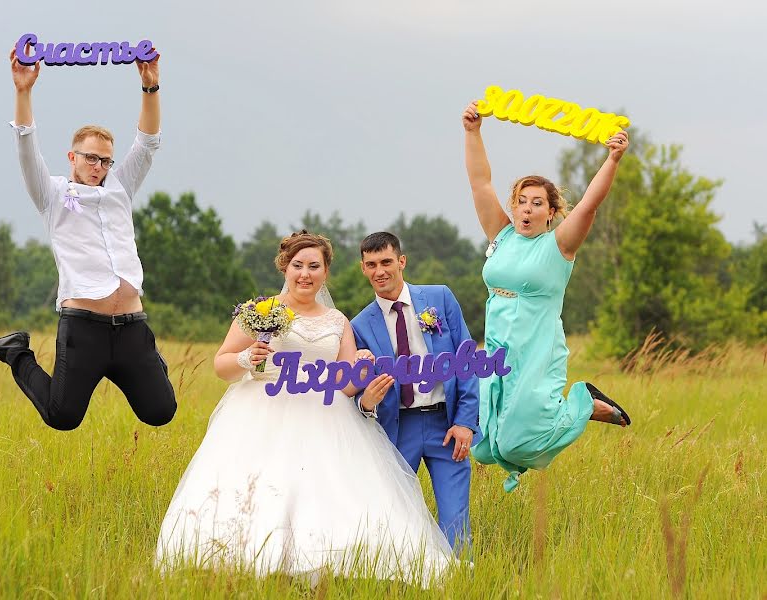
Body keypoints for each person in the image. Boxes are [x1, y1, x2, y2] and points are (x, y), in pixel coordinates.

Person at [155, 231, 452, 585]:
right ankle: (252, 559)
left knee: (324, 488)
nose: (305, 274)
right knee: (264, 486)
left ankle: (320, 558)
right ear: (285, 267)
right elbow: (222, 365)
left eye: (314, 266)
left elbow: (345, 386)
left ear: (326, 272)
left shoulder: (338, 321)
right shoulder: (260, 312)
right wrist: (248, 358)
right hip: (261, 411)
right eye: (298, 266)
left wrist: (361, 364)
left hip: (326, 415)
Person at [0, 44, 176, 431]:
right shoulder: (51, 195)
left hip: (133, 325)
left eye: (105, 160)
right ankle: (16, 352)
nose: (98, 167)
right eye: (90, 158)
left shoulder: (121, 187)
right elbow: (26, 148)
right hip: (84, 329)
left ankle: (148, 359)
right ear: (72, 157)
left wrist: (150, 86)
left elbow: (148, 143)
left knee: (160, 412)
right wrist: (23, 91)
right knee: (63, 416)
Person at [461, 100, 632, 492]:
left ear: (551, 212)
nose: (526, 209)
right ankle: (568, 410)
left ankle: (582, 403)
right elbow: (480, 183)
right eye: (521, 201)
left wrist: (613, 159)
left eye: (537, 203)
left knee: (521, 441)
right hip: (497, 344)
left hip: (536, 345)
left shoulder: (559, 246)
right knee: (485, 445)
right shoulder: (501, 236)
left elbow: (588, 206)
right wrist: (472, 132)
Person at [351, 232, 481, 554]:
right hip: (397, 429)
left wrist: (466, 421)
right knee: (392, 515)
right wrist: (366, 402)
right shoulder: (358, 326)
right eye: (371, 264)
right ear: (363, 269)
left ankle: (459, 581)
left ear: (401, 261)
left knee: (455, 519)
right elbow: (355, 389)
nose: (380, 271)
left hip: (445, 426)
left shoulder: (439, 299)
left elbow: (466, 361)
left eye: (386, 262)